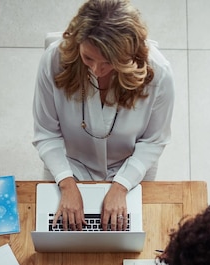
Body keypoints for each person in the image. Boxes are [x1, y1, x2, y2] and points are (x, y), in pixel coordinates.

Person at [33, 0, 174, 231]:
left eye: (109, 62)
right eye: (88, 58)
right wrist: (67, 184)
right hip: (70, 165)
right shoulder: (53, 61)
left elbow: (154, 140)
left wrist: (121, 186)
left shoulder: (159, 73)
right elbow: (46, 133)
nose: (97, 71)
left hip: (131, 167)